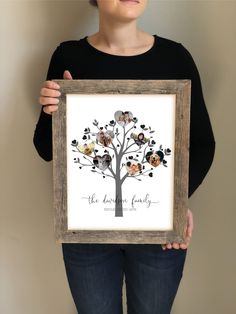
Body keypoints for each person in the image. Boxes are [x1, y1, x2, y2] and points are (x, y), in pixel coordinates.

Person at [33, 0, 215, 313]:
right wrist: (53, 113)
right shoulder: (67, 57)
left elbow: (202, 144)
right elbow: (45, 149)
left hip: (158, 233)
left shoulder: (175, 57)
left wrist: (177, 203)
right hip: (85, 231)